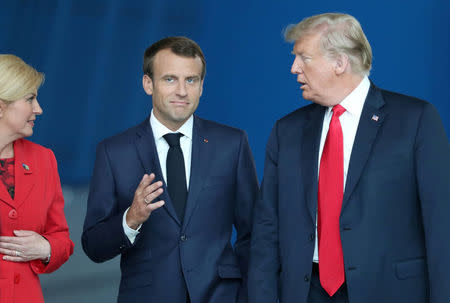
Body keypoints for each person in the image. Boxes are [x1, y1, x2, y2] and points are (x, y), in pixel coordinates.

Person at [248, 13, 450, 303]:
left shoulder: (416, 120)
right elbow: (266, 230)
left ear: (340, 63)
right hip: (306, 293)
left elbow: (442, 228)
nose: (294, 68)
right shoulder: (287, 131)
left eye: (304, 57)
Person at [82, 36, 258, 303]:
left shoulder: (231, 144)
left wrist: (245, 295)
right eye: (170, 79)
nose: (182, 91)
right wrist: (131, 219)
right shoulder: (114, 152)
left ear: (201, 87)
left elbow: (254, 232)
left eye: (191, 80)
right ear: (148, 84)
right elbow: (94, 245)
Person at [0, 54, 74, 302]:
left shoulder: (44, 160)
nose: (38, 109)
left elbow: (62, 239)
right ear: (1, 105)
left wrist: (46, 248)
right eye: (30, 99)